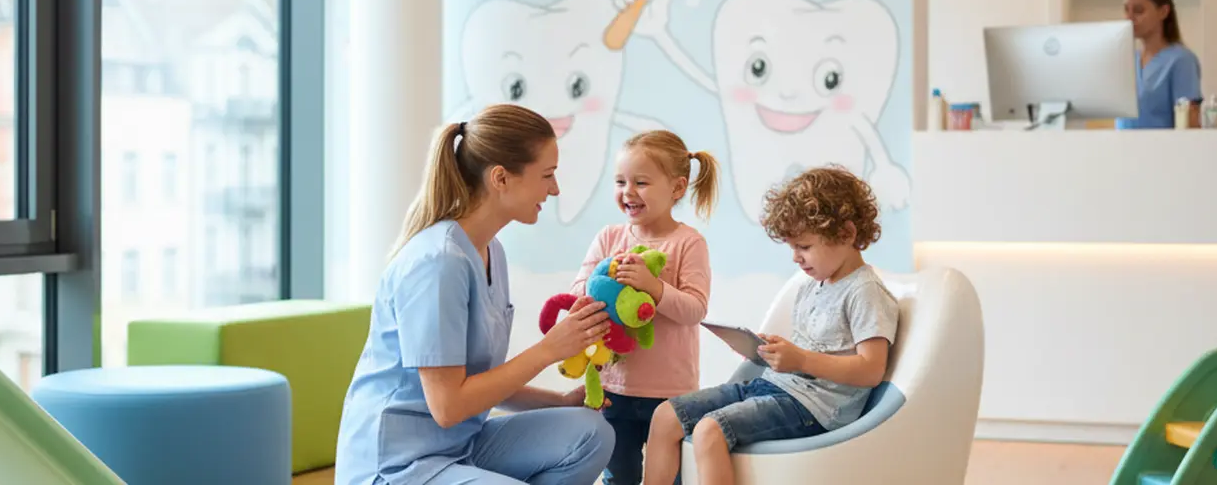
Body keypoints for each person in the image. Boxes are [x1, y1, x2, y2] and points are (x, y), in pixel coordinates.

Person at [334, 103, 617, 485]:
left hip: (458, 447)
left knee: (589, 432)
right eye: (547, 175)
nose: (555, 188)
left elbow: (480, 382)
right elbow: (449, 407)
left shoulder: (491, 252)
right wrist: (549, 350)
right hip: (396, 466)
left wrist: (561, 401)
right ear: (501, 178)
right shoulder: (437, 263)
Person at [640, 165, 900, 485]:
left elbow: (871, 369)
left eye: (804, 247)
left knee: (710, 429)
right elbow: (816, 347)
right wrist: (771, 350)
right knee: (665, 416)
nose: (796, 258)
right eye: (792, 247)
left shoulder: (865, 292)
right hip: (775, 387)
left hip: (814, 408)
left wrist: (801, 359)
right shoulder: (813, 283)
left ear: (846, 234)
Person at [568, 130, 720, 485]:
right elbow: (578, 292)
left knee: (670, 477)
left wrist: (654, 287)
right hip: (613, 388)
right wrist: (605, 284)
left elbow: (695, 309)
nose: (628, 192)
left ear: (678, 188)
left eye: (641, 182)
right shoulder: (609, 238)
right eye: (620, 181)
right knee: (617, 476)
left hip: (670, 393)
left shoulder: (688, 243)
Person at [1116, 0, 1202, 129]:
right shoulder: (1127, 61)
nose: (1129, 18)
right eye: (1126, 10)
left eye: (1138, 11)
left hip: (1163, 150)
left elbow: (1190, 125)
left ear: (1163, 11)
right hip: (1120, 148)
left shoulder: (1181, 60)